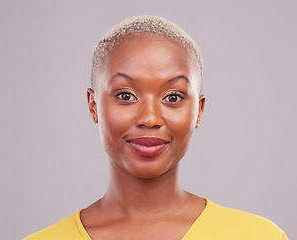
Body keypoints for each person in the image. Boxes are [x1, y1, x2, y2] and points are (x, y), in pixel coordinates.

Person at [24, 15, 288, 240]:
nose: (149, 118)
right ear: (93, 106)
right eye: (126, 95)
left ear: (199, 110)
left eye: (173, 97)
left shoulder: (258, 235)